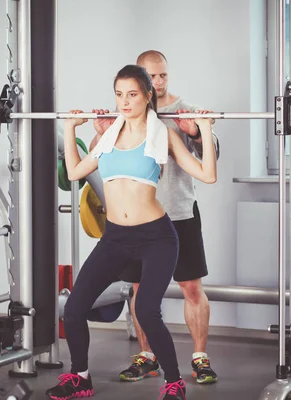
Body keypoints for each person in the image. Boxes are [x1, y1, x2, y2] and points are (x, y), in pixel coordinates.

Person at [45, 64, 216, 400]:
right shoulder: (109, 134)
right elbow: (76, 170)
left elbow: (207, 175)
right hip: (115, 238)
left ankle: (173, 382)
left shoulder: (162, 134)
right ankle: (80, 376)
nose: (124, 102)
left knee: (146, 311)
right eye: (119, 94)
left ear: (148, 96)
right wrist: (68, 128)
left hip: (156, 237)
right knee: (75, 307)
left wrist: (205, 129)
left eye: (132, 94)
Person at [89, 50, 220, 385]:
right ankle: (147, 356)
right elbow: (97, 156)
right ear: (141, 82)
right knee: (139, 289)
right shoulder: (123, 114)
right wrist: (98, 131)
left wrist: (195, 132)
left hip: (179, 211)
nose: (159, 82)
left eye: (163, 75)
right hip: (137, 222)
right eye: (152, 77)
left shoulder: (183, 110)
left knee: (191, 287)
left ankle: (200, 358)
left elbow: (211, 154)